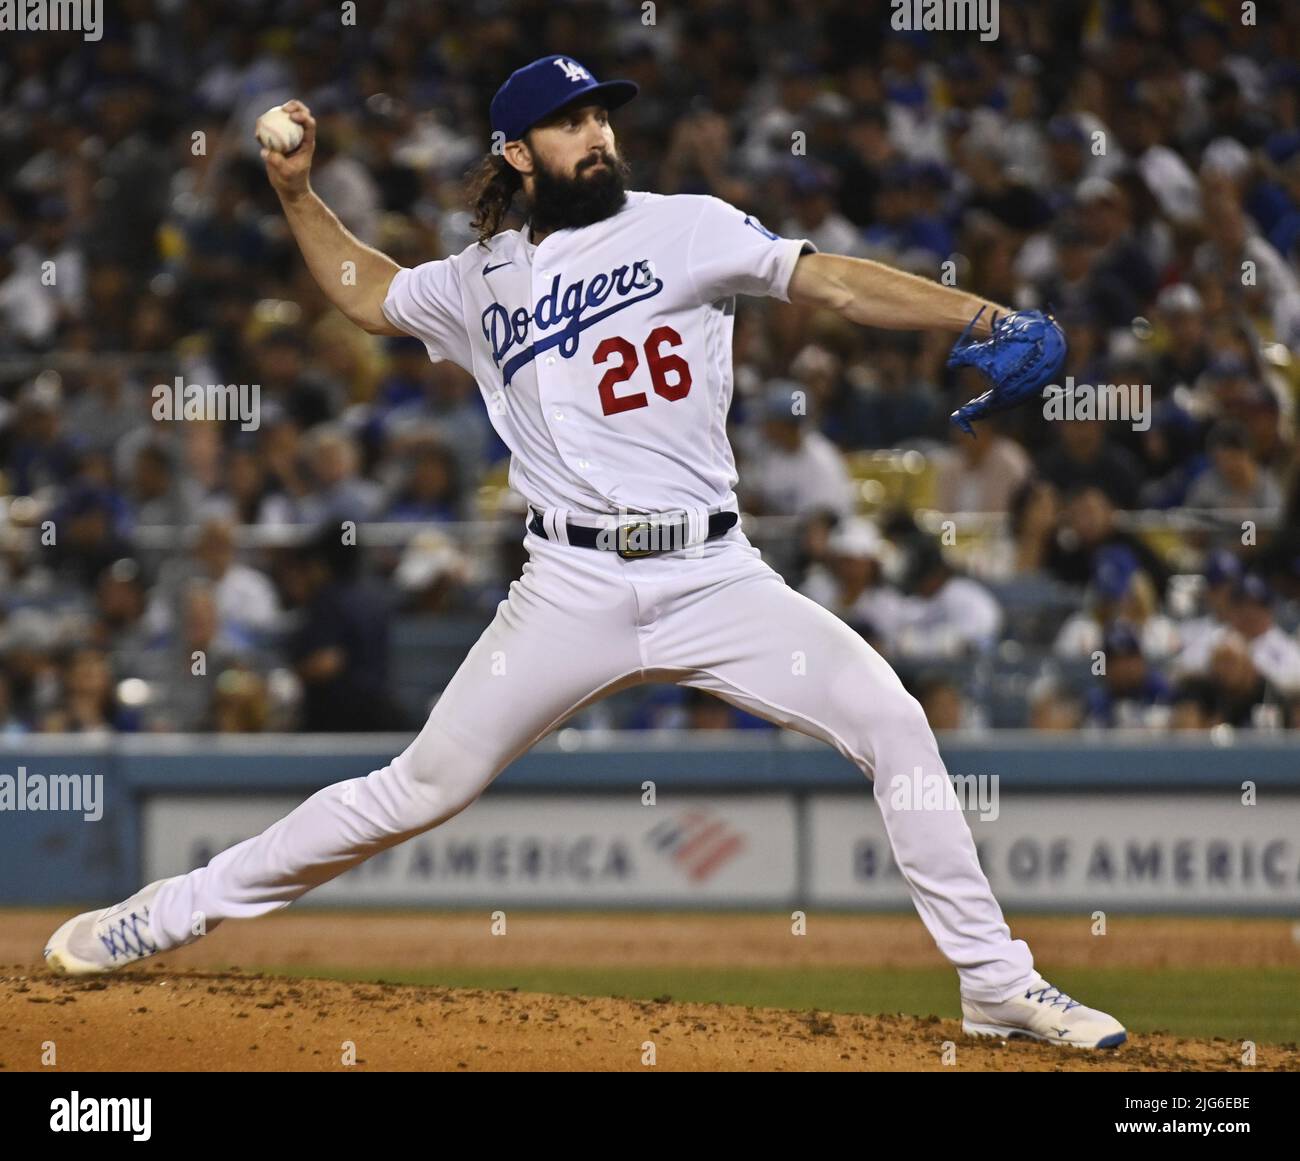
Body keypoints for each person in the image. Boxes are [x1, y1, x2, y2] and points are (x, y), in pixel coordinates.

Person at [44, 55, 1125, 1049]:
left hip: (714, 575)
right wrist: (295, 196)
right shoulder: (479, 280)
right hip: (569, 583)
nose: (596, 132)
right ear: (517, 153)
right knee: (417, 788)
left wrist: (974, 313)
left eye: (601, 113)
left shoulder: (688, 225)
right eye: (568, 122)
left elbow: (831, 280)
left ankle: (994, 983)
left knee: (893, 721)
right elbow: (367, 292)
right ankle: (164, 913)